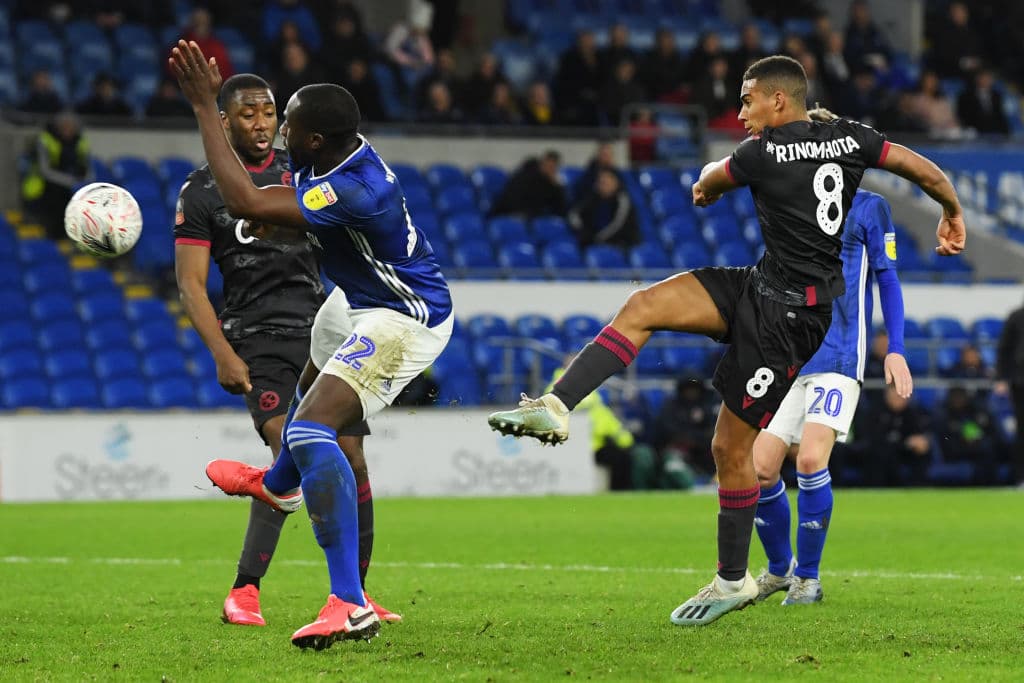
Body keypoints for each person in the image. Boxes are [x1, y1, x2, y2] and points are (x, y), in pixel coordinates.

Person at [487, 55, 965, 626]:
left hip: (789, 322)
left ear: (779, 101)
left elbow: (708, 180)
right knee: (645, 306)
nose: (740, 113)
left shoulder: (759, 153)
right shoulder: (852, 139)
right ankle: (557, 406)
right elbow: (925, 170)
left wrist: (706, 190)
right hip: (758, 288)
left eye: (746, 100)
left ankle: (735, 581)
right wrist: (951, 213)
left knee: (730, 451)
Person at [170, 40, 453, 649]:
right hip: (351, 301)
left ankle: (349, 604)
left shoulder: (356, 187)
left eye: (287, 122)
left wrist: (201, 107)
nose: (277, 131)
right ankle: (277, 484)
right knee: (303, 401)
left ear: (314, 140)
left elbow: (247, 200)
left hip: (403, 316)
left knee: (309, 432)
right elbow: (272, 210)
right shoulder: (325, 155)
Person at [751, 108, 913, 607]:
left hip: (840, 353)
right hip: (788, 354)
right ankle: (779, 570)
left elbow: (886, 278)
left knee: (813, 458)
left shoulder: (869, 208)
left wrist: (897, 350)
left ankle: (809, 578)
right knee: (758, 467)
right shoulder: (787, 207)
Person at [20, 111, 93, 240]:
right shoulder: (45, 140)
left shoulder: (81, 142)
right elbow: (44, 170)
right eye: (64, 126)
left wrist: (82, 181)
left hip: (70, 185)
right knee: (56, 201)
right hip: (44, 186)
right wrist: (69, 181)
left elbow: (87, 168)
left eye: (70, 126)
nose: (67, 130)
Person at [567, 168, 639, 249]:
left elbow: (617, 225)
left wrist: (597, 239)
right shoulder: (592, 198)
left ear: (616, 183)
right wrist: (584, 232)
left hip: (621, 243)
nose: (603, 184)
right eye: (601, 182)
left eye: (607, 182)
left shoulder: (623, 200)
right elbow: (574, 214)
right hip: (593, 242)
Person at [489, 150, 567, 219]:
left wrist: (557, 187)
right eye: (549, 166)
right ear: (543, 163)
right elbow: (512, 198)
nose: (550, 169)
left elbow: (560, 209)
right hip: (509, 212)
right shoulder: (525, 175)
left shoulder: (551, 183)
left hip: (531, 215)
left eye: (553, 167)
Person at [996, 299, 1024, 485]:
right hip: (1021, 383)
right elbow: (1004, 349)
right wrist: (1002, 378)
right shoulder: (1017, 317)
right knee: (1022, 431)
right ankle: (1021, 477)